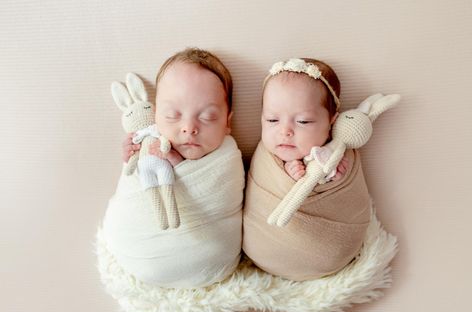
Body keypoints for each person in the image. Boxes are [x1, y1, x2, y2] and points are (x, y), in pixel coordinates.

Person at [106, 48, 245, 288]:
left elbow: (221, 193)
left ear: (227, 122)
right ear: (156, 115)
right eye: (172, 115)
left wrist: (176, 163)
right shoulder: (149, 142)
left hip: (212, 261)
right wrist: (130, 155)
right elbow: (131, 179)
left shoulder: (227, 157)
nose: (189, 127)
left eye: (208, 117)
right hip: (136, 253)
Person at [243, 58, 371, 281]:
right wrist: (288, 171)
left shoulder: (337, 152)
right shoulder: (267, 154)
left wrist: (335, 177)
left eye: (302, 122)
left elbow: (346, 197)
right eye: (272, 119)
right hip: (265, 247)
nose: (285, 131)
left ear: (331, 121)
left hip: (329, 251)